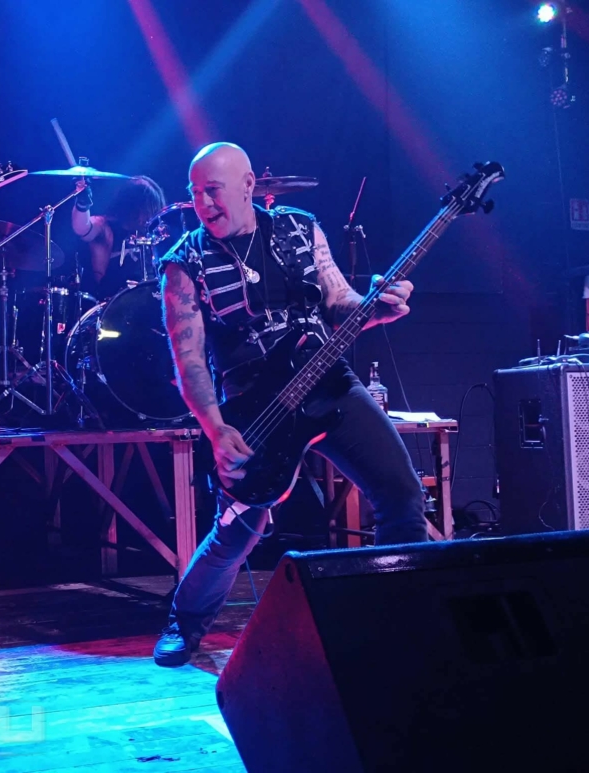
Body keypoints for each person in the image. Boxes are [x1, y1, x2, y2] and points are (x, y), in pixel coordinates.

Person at [154, 143, 427, 667]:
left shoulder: (299, 227)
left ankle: (395, 620)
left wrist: (378, 308)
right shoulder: (183, 262)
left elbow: (340, 303)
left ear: (248, 186)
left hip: (327, 383)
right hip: (254, 409)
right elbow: (187, 360)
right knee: (237, 533)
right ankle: (184, 622)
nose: (202, 203)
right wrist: (216, 429)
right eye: (195, 192)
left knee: (401, 494)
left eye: (213, 190)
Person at [71, 174, 166, 297]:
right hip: (113, 303)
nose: (150, 216)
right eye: (148, 209)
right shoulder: (104, 226)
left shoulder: (154, 233)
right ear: (132, 206)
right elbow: (82, 228)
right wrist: (82, 203)